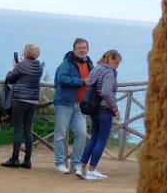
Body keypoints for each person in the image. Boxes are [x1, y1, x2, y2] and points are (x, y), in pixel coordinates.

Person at [75, 49, 122, 181]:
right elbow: (106, 92)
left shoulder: (96, 69)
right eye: (117, 62)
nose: (117, 65)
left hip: (93, 108)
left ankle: (82, 167)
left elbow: (89, 82)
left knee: (94, 138)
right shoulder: (109, 72)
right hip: (104, 109)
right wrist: (115, 108)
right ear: (110, 59)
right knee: (102, 139)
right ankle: (92, 169)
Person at [51, 37, 93, 174]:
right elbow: (62, 79)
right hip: (65, 102)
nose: (82, 50)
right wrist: (82, 82)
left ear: (88, 49)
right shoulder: (67, 63)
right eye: (79, 48)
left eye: (84, 48)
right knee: (60, 134)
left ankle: (76, 163)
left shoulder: (89, 63)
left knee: (81, 133)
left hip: (80, 105)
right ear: (74, 49)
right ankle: (60, 163)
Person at [1, 43, 43, 168]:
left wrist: (13, 67)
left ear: (25, 52)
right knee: (28, 129)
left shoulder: (22, 65)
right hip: (33, 100)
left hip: (20, 99)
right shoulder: (39, 66)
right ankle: (27, 159)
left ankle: (14, 158)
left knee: (18, 128)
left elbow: (9, 78)